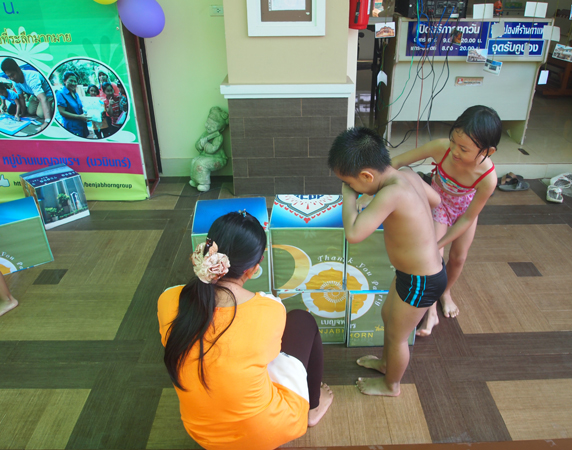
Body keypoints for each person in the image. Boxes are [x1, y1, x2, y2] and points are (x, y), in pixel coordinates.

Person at [157, 211, 333, 450]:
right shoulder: (270, 308)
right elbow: (273, 354)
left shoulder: (168, 299)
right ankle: (312, 409)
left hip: (202, 434)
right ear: (253, 268)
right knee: (302, 320)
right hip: (266, 432)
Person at [360, 105, 500, 336]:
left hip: (465, 211)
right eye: (453, 142)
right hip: (439, 204)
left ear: (488, 151)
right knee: (434, 261)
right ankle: (431, 311)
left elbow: (468, 218)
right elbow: (396, 162)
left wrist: (440, 243)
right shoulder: (441, 149)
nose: (454, 151)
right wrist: (369, 191)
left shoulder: (488, 179)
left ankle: (446, 292)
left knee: (459, 258)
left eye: (463, 149)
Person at [328, 127, 447, 396]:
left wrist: (349, 199)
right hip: (413, 274)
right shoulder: (407, 176)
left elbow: (354, 234)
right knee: (387, 317)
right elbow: (436, 200)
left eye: (350, 183)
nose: (351, 188)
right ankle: (386, 364)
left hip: (421, 281)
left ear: (366, 176)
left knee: (397, 336)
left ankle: (391, 385)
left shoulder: (391, 194)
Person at [1, 57, 54, 128]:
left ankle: (54, 104)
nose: (11, 78)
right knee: (30, 112)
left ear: (18, 69)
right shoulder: (15, 82)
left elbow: (43, 98)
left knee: (41, 114)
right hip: (34, 95)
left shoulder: (32, 78)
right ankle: (41, 105)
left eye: (12, 75)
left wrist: (47, 121)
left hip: (47, 94)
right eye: (9, 76)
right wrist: (22, 113)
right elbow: (21, 98)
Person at [56, 71, 90, 138]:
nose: (73, 83)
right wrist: (79, 117)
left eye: (75, 81)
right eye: (71, 81)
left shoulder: (75, 94)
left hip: (82, 125)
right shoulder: (60, 94)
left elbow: (79, 108)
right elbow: (62, 112)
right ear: (64, 81)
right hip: (71, 127)